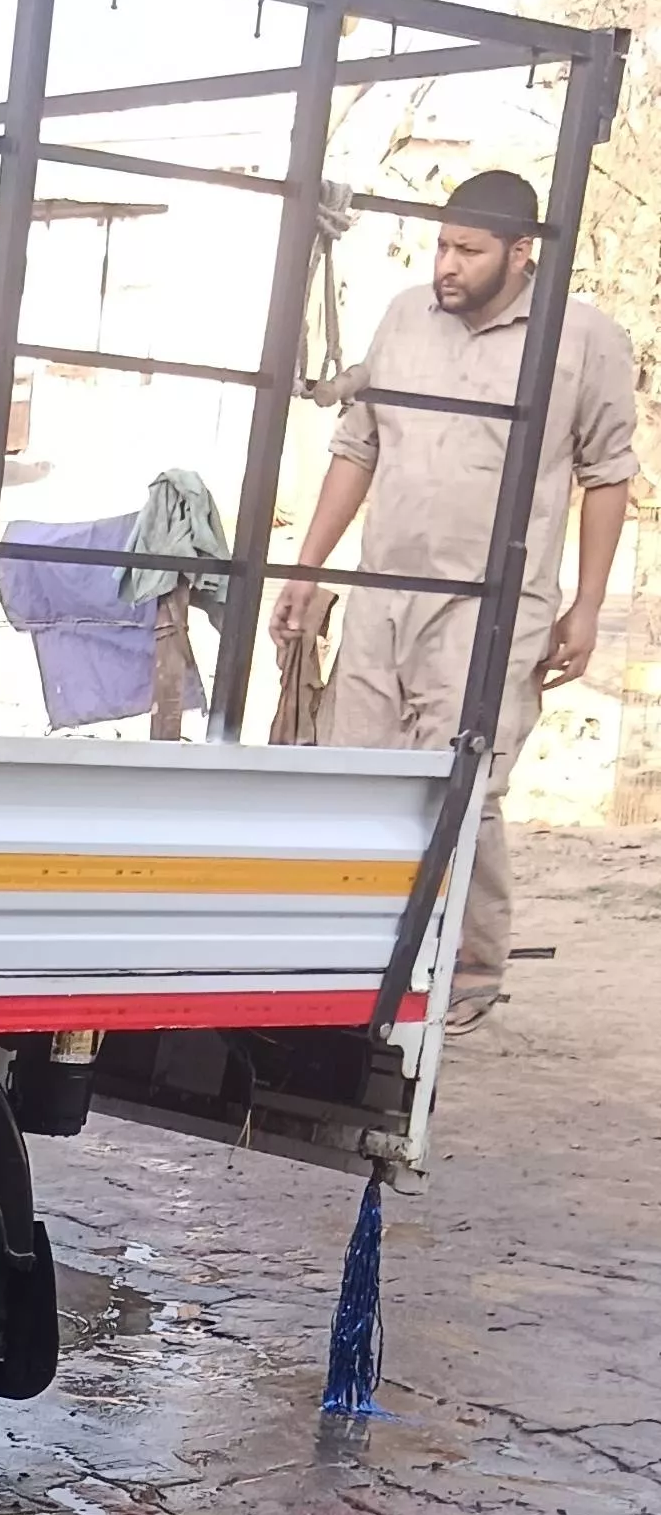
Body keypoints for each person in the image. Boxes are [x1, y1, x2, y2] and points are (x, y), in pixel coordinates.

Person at [271, 166, 638, 1026]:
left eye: (468, 250)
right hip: (382, 585)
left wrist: (586, 606)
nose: (447, 264)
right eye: (441, 245)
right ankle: (360, 958)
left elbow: (608, 473)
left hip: (492, 604)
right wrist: (312, 566)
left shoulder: (582, 339)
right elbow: (356, 445)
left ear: (522, 252)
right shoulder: (404, 316)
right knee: (358, 767)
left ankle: (471, 966)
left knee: (460, 775)